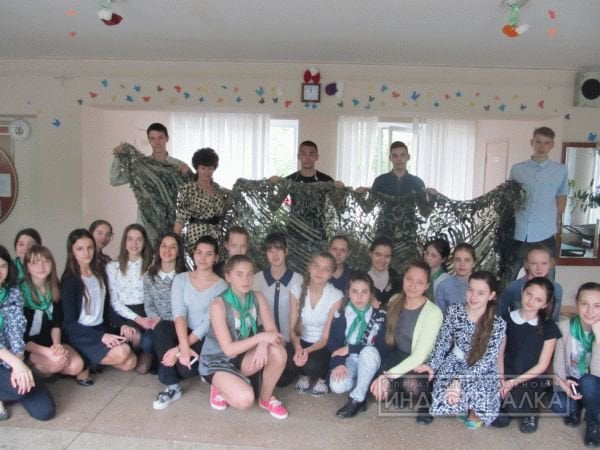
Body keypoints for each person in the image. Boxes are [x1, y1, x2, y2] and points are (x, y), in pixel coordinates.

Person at [199, 255, 289, 419]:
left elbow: (273, 334)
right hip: (218, 361)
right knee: (245, 400)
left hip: (243, 356)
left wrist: (264, 343)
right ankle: (218, 386)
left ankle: (265, 399)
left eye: (249, 274)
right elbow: (228, 350)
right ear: (228, 276)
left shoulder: (257, 297)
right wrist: (261, 338)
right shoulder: (218, 305)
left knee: (278, 351)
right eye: (239, 274)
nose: (246, 279)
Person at [416, 271, 506, 429]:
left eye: (481, 293)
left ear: (491, 295)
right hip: (455, 362)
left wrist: (459, 381)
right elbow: (443, 343)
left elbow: (488, 360)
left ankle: (473, 410)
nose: (473, 297)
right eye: (470, 290)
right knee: (445, 396)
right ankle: (464, 405)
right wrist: (431, 365)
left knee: (480, 391)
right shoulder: (454, 311)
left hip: (481, 369)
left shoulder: (498, 323)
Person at [151, 236, 227, 410]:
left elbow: (208, 323)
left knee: (184, 370)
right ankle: (172, 386)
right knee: (162, 328)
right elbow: (179, 314)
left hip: (204, 337)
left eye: (209, 254)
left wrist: (179, 349)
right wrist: (183, 347)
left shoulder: (221, 286)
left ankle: (181, 367)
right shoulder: (181, 279)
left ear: (216, 258)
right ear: (193, 254)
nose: (203, 258)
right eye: (199, 252)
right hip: (182, 331)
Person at [370, 261, 443, 424]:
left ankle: (427, 402)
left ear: (426, 286)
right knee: (377, 390)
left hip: (420, 364)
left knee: (412, 385)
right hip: (397, 355)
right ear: (403, 279)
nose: (412, 286)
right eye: (409, 279)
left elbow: (419, 356)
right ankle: (398, 389)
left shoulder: (433, 313)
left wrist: (386, 376)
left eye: (419, 282)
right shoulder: (395, 300)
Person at [61, 229, 137, 375]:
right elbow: (69, 323)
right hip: (82, 334)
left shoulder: (99, 274)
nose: (86, 253)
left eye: (89, 247)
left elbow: (106, 308)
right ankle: (83, 362)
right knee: (123, 352)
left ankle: (86, 361)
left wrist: (122, 324)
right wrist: (101, 337)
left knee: (131, 362)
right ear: (72, 252)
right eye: (80, 249)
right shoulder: (70, 281)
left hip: (100, 328)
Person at [492, 277, 560, 433]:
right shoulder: (505, 320)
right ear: (522, 291)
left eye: (538, 299)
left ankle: (531, 411)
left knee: (516, 406)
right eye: (529, 294)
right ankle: (505, 405)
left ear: (545, 304)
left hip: (531, 377)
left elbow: (542, 365)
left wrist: (513, 382)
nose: (531, 301)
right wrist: (502, 379)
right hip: (507, 372)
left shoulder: (549, 327)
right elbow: (499, 353)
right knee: (498, 417)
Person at [0, 245, 55, 422]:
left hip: (10, 358)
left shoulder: (12, 293)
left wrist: (18, 362)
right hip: (6, 357)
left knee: (45, 411)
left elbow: (17, 332)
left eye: (3, 266)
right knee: (17, 388)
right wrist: (16, 364)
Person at [20, 245, 88, 384]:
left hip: (50, 341)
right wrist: (46, 352)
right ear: (27, 267)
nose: (41, 266)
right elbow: (19, 338)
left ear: (52, 264)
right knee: (56, 363)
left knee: (76, 366)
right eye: (35, 263)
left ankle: (51, 368)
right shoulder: (19, 293)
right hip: (28, 346)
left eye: (46, 261)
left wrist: (56, 346)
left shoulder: (55, 287)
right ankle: (34, 372)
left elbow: (56, 323)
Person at [508, 127, 567, 281]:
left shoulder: (560, 171)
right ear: (532, 142)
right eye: (538, 142)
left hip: (545, 232)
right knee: (510, 276)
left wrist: (555, 220)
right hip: (520, 232)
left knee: (548, 279)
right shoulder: (517, 169)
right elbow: (510, 197)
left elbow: (562, 198)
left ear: (552, 145)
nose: (542, 146)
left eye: (547, 143)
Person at [329, 271, 387, 418]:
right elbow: (334, 344)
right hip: (349, 358)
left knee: (368, 352)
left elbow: (382, 347)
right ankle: (363, 383)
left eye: (364, 292)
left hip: (371, 359)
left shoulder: (380, 315)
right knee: (337, 385)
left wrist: (352, 348)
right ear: (348, 293)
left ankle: (357, 399)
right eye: (354, 291)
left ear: (371, 294)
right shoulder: (341, 314)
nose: (359, 297)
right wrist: (338, 363)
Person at [110, 123, 191, 226]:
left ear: (167, 138)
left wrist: (187, 175)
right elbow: (115, 180)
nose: (157, 142)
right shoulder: (142, 166)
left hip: (168, 222)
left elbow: (194, 192)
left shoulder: (178, 166)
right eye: (153, 138)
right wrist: (118, 156)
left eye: (160, 138)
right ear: (149, 140)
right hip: (144, 223)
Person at [552, 282, 600, 447]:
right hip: (573, 379)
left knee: (588, 381)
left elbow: (597, 373)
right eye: (584, 304)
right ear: (576, 302)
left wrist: (598, 339)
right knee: (558, 406)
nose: (590, 311)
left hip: (595, 383)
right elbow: (558, 362)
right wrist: (563, 384)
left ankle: (593, 423)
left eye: (597, 306)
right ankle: (579, 403)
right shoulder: (565, 327)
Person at [290, 252, 343, 396]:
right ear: (309, 267)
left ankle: (322, 378)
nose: (320, 272)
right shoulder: (296, 289)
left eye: (326, 269)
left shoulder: (336, 295)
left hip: (322, 344)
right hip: (300, 340)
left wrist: (307, 351)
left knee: (313, 365)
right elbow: (293, 328)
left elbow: (325, 338)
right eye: (316, 266)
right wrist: (298, 348)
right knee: (289, 364)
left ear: (331, 274)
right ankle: (303, 374)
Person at [253, 232, 303, 387]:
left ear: (286, 251)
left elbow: (302, 315)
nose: (274, 255)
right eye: (270, 250)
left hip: (289, 340)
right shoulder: (256, 279)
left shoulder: (297, 279)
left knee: (283, 379)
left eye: (279, 249)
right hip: (264, 340)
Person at [106, 224, 155, 374]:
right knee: (135, 337)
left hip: (148, 310)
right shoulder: (113, 267)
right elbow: (114, 301)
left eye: (139, 239)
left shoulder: (152, 264)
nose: (134, 243)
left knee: (142, 367)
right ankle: (134, 354)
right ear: (124, 241)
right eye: (130, 239)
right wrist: (138, 319)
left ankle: (148, 353)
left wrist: (150, 318)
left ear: (144, 242)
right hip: (125, 313)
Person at [141, 232, 186, 377]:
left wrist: (174, 323)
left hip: (178, 325)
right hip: (158, 323)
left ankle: (170, 365)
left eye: (173, 247)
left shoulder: (185, 277)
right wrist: (157, 321)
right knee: (146, 342)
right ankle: (159, 359)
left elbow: (187, 307)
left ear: (179, 251)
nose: (167, 250)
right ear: (158, 249)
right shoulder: (149, 276)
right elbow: (148, 304)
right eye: (164, 246)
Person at [174, 148, 228, 259]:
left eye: (210, 168)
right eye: (203, 168)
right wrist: (174, 245)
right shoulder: (188, 189)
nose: (207, 172)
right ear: (197, 168)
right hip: (196, 238)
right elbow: (180, 220)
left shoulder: (218, 189)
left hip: (217, 239)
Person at [497, 244, 563, 321]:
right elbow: (500, 316)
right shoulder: (513, 287)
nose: (539, 268)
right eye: (534, 263)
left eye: (544, 263)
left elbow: (555, 320)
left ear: (550, 264)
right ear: (526, 264)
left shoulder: (557, 289)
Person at [435, 243, 476, 315]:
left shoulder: (483, 285)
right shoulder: (444, 286)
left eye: (467, 260)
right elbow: (439, 315)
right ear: (453, 261)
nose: (462, 264)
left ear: (474, 263)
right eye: (457, 260)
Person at [368, 236, 402, 309]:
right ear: (370, 254)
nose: (382, 260)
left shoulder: (400, 282)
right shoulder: (360, 281)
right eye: (378, 254)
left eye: (387, 256)